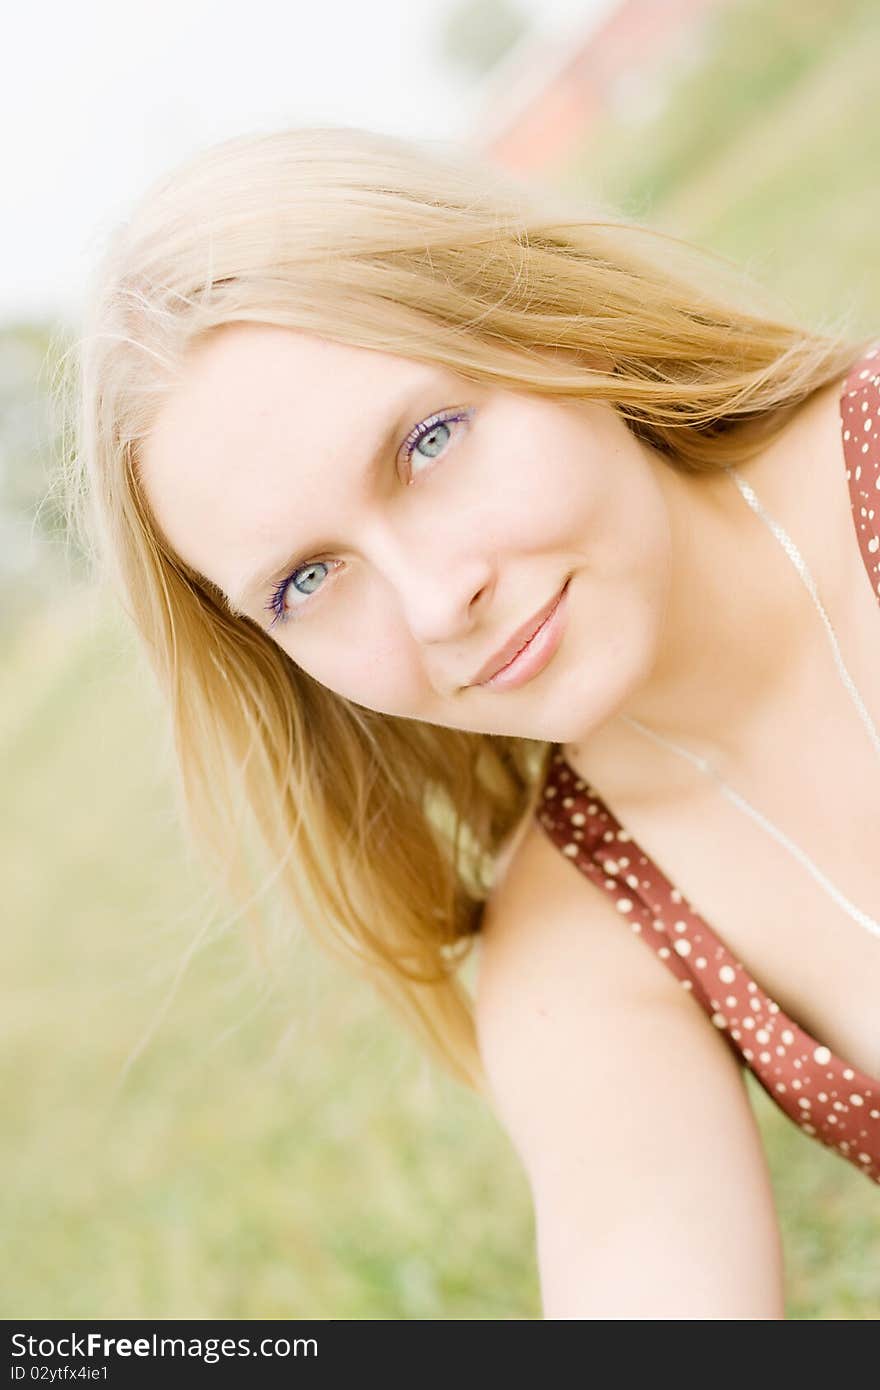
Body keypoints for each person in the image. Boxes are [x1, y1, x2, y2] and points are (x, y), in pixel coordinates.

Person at [63, 124, 880, 1319]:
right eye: (308, 579)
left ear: (547, 323)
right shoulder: (582, 936)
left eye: (428, 443)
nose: (437, 600)